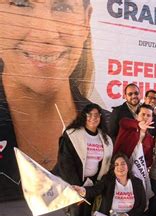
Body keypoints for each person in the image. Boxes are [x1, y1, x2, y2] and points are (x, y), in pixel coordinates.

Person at [0, 0, 97, 200]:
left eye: (62, 7)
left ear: (86, 21)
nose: (45, 34)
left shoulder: (105, 125)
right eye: (21, 4)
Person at [54, 104, 113, 216]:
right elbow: (65, 162)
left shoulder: (105, 138)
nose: (94, 117)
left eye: (97, 114)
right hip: (74, 185)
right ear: (83, 116)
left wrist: (93, 187)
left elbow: (106, 164)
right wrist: (76, 189)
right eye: (90, 114)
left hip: (91, 184)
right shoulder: (72, 135)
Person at [113, 104, 155, 168]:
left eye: (148, 115)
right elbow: (123, 122)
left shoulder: (150, 139)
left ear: (152, 119)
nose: (145, 117)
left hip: (136, 173)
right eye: (143, 114)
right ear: (136, 116)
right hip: (118, 167)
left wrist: (139, 167)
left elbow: (149, 160)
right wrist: (138, 125)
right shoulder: (126, 125)